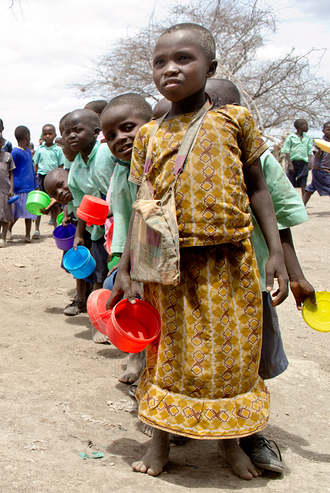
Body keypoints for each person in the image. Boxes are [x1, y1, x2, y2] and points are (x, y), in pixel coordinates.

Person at [109, 23, 288, 480]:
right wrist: (127, 268)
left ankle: (229, 444)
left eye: (183, 59)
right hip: (167, 266)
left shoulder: (235, 121)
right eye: (159, 62)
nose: (170, 69)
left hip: (230, 261)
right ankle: (161, 442)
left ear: (210, 66)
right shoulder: (148, 135)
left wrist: (277, 255)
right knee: (167, 354)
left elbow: (259, 189)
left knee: (231, 357)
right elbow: (141, 205)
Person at [204, 77, 315, 474]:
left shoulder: (258, 155)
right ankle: (195, 424)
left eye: (223, 107)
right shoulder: (178, 145)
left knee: (249, 358)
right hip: (198, 281)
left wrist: (292, 271)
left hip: (248, 280)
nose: (216, 115)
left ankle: (249, 433)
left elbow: (280, 219)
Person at [99, 93, 153, 381]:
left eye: (129, 128)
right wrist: (119, 258)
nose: (120, 138)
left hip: (159, 252)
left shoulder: (159, 167)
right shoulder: (121, 172)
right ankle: (135, 359)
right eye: (111, 136)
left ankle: (150, 364)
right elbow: (122, 216)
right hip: (130, 253)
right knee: (133, 302)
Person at [60, 109, 115, 327]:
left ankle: (104, 318)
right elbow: (80, 202)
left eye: (77, 131)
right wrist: (79, 235)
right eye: (66, 132)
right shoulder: (76, 166)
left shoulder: (105, 153)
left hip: (116, 220)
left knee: (111, 270)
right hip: (96, 226)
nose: (71, 136)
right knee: (98, 268)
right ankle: (99, 316)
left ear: (95, 132)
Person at [9, 125, 39, 243]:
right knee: (16, 211)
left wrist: (35, 184)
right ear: (27, 137)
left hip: (30, 187)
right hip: (19, 187)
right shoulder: (15, 152)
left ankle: (27, 234)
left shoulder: (28, 152)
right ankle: (8, 229)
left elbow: (31, 169)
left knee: (29, 213)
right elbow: (10, 170)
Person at [33, 124, 65, 230]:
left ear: (55, 135)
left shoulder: (58, 150)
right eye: (45, 134)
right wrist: (34, 181)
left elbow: (61, 166)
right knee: (39, 203)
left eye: (50, 134)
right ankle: (37, 229)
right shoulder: (39, 150)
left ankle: (56, 228)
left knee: (55, 204)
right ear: (42, 136)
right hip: (41, 178)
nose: (47, 136)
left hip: (54, 180)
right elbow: (35, 165)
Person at [281, 119, 314, 195]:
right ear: (300, 126)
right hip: (293, 162)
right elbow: (286, 150)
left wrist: (309, 162)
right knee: (290, 183)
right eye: (306, 125)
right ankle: (290, 200)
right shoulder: (291, 137)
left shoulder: (307, 138)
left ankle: (303, 203)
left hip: (304, 163)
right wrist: (289, 164)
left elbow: (309, 151)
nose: (307, 127)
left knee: (303, 183)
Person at [303, 121, 330, 205]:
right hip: (321, 170)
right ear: (323, 131)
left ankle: (301, 206)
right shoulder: (320, 142)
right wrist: (320, 149)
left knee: (311, 188)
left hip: (324, 170)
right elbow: (317, 155)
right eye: (328, 129)